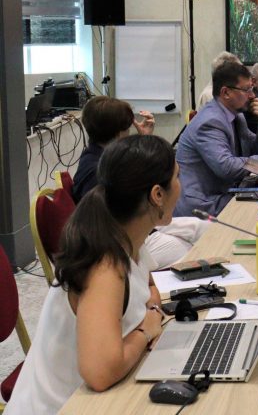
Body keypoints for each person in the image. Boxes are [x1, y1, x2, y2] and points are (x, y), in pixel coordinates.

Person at [5, 135, 176, 415]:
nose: (182, 185)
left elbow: (150, 289)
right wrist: (145, 331)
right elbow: (100, 373)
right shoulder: (105, 266)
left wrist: (153, 312)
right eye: (178, 177)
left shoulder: (128, 237)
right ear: (157, 195)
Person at [72, 96, 206, 269]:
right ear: (120, 132)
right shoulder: (100, 172)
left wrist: (145, 141)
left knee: (202, 228)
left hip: (140, 224)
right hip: (125, 237)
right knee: (194, 249)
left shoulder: (99, 156)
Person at [174, 61, 258, 216]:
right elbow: (226, 168)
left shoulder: (236, 116)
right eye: (247, 90)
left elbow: (256, 151)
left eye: (252, 88)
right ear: (226, 92)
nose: (252, 95)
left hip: (223, 194)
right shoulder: (210, 122)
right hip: (202, 205)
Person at [72, 97, 155, 202]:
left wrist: (145, 138)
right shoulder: (100, 173)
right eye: (127, 129)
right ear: (119, 133)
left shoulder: (94, 155)